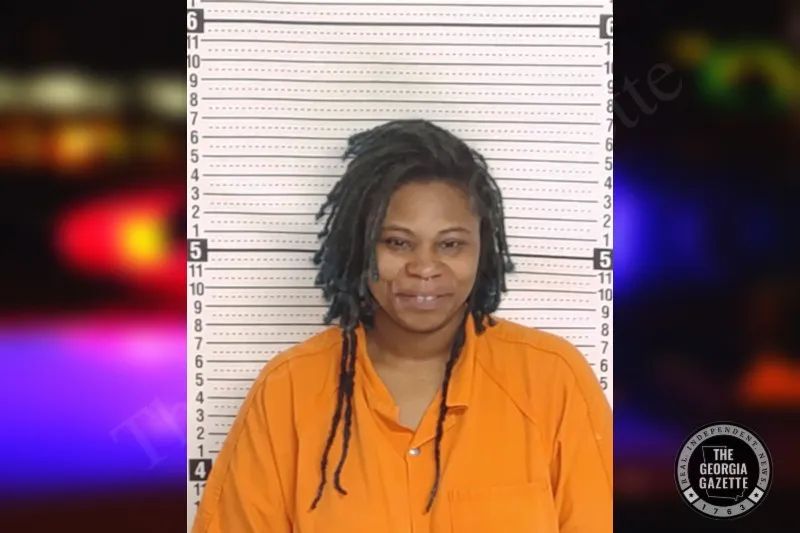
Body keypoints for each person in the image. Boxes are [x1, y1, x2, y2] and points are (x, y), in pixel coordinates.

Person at [191, 120, 612, 533]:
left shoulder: (552, 379)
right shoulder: (288, 391)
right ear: (360, 246)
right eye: (397, 242)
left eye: (450, 244)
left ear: (482, 249)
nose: (425, 267)